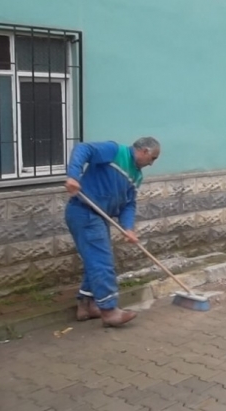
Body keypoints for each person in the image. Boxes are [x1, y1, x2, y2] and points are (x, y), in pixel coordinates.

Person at [64, 137, 161, 327]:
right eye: (153, 158)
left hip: (99, 217)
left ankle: (88, 305)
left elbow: (129, 204)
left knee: (96, 259)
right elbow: (83, 149)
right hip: (84, 211)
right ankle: (109, 311)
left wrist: (128, 228)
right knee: (101, 260)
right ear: (144, 151)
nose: (152, 163)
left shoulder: (137, 175)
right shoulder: (114, 151)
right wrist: (73, 176)